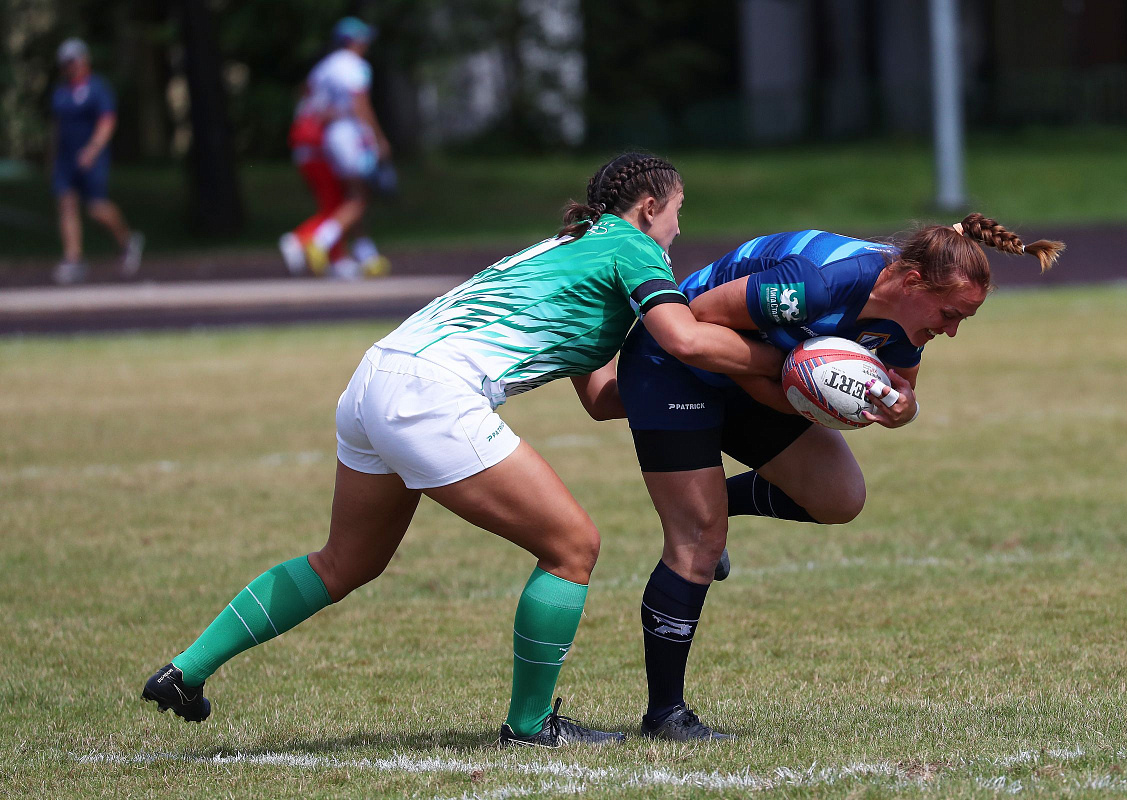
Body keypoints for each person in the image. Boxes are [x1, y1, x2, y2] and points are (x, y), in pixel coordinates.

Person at [143, 153, 785, 747]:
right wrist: (784, 367)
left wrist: (689, 391)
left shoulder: (573, 247)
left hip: (376, 377)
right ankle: (529, 726)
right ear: (649, 208)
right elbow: (685, 340)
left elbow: (600, 397)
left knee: (344, 562)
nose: (679, 229)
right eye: (677, 212)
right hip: (431, 393)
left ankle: (184, 672)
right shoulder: (633, 247)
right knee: (573, 547)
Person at [617, 215, 1064, 741]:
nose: (951, 330)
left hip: (751, 378)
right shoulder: (817, 284)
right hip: (673, 364)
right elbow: (693, 323)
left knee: (839, 497)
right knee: (697, 541)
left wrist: (903, 409)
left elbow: (899, 384)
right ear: (912, 281)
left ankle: (715, 505)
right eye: (949, 314)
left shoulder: (907, 317)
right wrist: (790, 366)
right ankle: (665, 715)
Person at [279, 17, 391, 280]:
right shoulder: (355, 66)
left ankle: (366, 255)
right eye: (364, 39)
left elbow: (307, 98)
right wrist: (378, 137)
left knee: (350, 195)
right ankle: (318, 240)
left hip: (327, 136)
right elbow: (360, 103)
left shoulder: (324, 67)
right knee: (359, 197)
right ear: (355, 41)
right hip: (349, 134)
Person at [50, 38, 143, 285]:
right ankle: (73, 259)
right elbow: (57, 128)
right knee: (66, 204)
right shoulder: (61, 93)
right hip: (65, 159)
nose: (70, 66)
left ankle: (127, 240)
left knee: (96, 209)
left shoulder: (97, 88)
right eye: (66, 63)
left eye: (73, 61)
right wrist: (53, 158)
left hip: (93, 157)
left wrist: (92, 150)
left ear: (84, 60)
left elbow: (107, 122)